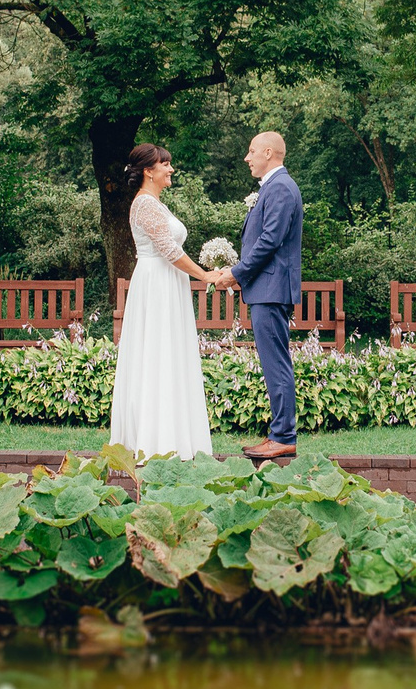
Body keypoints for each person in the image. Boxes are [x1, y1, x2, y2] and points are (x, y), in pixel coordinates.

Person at [108, 143, 228, 458]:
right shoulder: (145, 204)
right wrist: (206, 276)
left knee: (169, 356)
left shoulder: (155, 203)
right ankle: (155, 444)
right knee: (156, 357)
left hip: (167, 284)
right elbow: (169, 251)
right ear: (149, 170)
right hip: (156, 287)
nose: (171, 169)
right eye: (165, 164)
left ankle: (174, 439)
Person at [230, 131, 303, 459]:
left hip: (271, 289)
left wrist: (237, 272)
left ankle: (283, 435)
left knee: (276, 364)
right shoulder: (275, 188)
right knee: (273, 362)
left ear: (269, 153)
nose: (248, 157)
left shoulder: (281, 188)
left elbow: (270, 240)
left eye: (252, 151)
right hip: (267, 288)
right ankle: (279, 432)